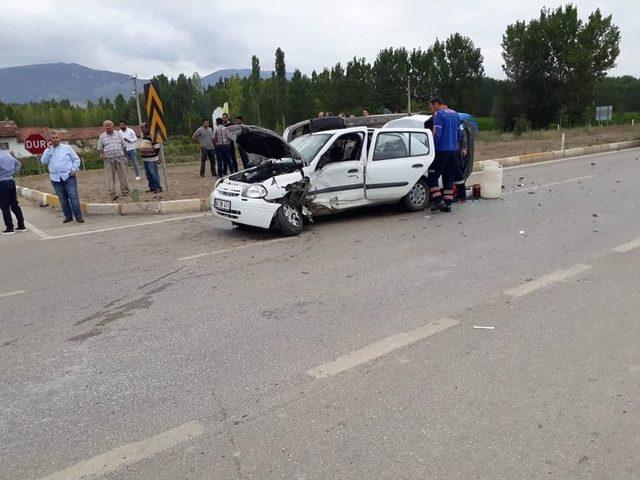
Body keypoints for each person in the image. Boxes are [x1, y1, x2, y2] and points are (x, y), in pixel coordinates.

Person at [426, 97, 460, 213]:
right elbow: (459, 133)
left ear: (436, 104)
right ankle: (448, 204)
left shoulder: (439, 115)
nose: (431, 110)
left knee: (432, 177)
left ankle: (438, 201)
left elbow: (437, 133)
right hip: (453, 150)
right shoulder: (455, 114)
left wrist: (432, 147)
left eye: (431, 107)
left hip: (441, 150)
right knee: (448, 177)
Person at [41, 133, 84, 223]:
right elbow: (44, 161)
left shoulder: (67, 148)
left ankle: (79, 217)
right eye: (53, 138)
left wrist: (74, 169)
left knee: (73, 196)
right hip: (55, 178)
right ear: (50, 140)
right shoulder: (48, 150)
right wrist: (48, 149)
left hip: (69, 176)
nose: (55, 139)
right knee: (62, 198)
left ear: (59, 138)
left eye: (57, 137)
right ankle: (68, 216)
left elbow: (76, 159)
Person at [97, 120, 130, 200]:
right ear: (104, 127)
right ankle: (112, 193)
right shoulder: (102, 136)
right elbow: (99, 147)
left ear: (113, 126)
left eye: (109, 125)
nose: (107, 127)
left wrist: (125, 156)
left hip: (120, 158)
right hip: (108, 159)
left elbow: (123, 145)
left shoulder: (118, 134)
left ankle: (125, 191)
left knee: (123, 175)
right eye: (106, 126)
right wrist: (101, 154)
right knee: (110, 177)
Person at [0, 149, 26, 234]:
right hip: (11, 181)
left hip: (2, 183)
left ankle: (9, 228)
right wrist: (12, 173)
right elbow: (18, 164)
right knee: (14, 204)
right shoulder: (7, 154)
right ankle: (21, 225)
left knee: (5, 206)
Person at [139, 123, 162, 193]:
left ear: (147, 128)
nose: (141, 130)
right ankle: (152, 187)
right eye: (141, 128)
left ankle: (158, 187)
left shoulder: (152, 136)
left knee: (154, 174)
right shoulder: (144, 136)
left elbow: (157, 148)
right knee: (148, 175)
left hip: (151, 159)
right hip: (145, 159)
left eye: (142, 128)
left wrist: (153, 155)